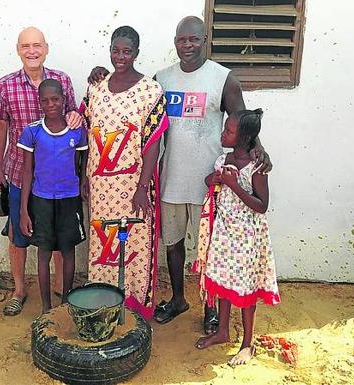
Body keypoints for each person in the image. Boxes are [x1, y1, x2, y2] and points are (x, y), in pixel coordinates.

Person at [87, 16, 272, 332]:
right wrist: (100, 75)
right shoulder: (162, 79)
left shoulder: (223, 78)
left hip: (210, 183)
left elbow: (241, 121)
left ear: (204, 40)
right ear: (175, 41)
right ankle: (177, 299)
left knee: (210, 250)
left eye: (194, 40)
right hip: (170, 177)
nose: (187, 46)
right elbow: (135, 99)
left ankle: (211, 308)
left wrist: (259, 148)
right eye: (182, 40)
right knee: (172, 244)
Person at [0, 27, 84, 316]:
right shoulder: (5, 84)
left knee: (56, 238)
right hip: (21, 172)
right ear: (18, 50)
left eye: (37, 45)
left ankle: (59, 288)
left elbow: (74, 116)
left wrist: (76, 117)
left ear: (46, 48)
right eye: (25, 46)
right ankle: (19, 291)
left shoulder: (62, 81)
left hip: (58, 178)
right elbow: (1, 127)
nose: (32, 51)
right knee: (19, 236)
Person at [81, 26, 168, 320]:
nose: (121, 57)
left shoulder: (150, 91)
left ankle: (134, 307)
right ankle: (102, 303)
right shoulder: (96, 87)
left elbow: (153, 142)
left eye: (127, 51)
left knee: (136, 245)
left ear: (137, 53)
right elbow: (86, 137)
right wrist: (84, 177)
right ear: (109, 51)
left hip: (134, 187)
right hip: (101, 186)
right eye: (116, 51)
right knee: (102, 242)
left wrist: (143, 187)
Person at [193, 109, 279, 366]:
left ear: (242, 138)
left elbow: (262, 205)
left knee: (245, 288)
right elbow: (209, 181)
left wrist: (234, 185)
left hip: (248, 239)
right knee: (222, 279)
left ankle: (247, 344)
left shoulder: (257, 167)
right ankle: (222, 331)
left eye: (228, 131)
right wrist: (217, 178)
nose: (223, 133)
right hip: (224, 233)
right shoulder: (223, 159)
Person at [18, 79, 88, 314]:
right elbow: (27, 171)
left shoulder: (77, 132)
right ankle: (46, 307)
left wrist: (83, 184)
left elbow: (82, 165)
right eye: (45, 100)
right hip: (42, 200)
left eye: (56, 99)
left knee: (68, 250)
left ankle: (66, 302)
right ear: (39, 103)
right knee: (44, 252)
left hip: (69, 198)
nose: (51, 104)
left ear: (64, 99)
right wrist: (24, 210)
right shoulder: (32, 131)